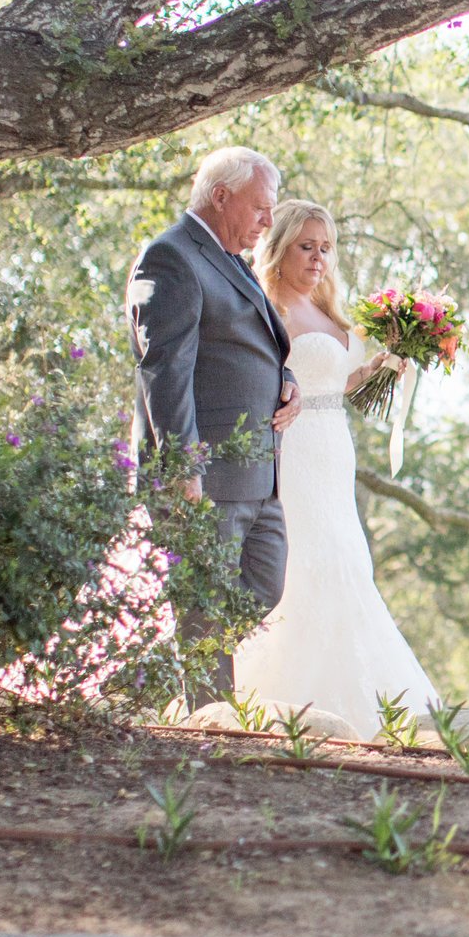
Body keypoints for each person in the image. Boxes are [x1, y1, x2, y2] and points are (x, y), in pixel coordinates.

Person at [233, 196, 441, 734]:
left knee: (346, 558)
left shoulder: (326, 312)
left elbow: (340, 384)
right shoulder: (262, 304)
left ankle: (360, 710)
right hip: (290, 448)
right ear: (278, 247)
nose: (318, 258)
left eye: (325, 248)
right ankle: (272, 697)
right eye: (306, 246)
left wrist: (385, 363)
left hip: (333, 451)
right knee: (301, 560)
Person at [126, 146, 302, 702]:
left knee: (263, 586)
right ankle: (209, 728)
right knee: (203, 606)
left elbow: (253, 345)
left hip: (256, 473)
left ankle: (152, 671)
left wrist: (287, 378)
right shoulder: (171, 256)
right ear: (220, 196)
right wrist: (184, 468)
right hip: (204, 477)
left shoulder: (229, 259)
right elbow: (165, 370)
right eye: (260, 208)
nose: (268, 222)